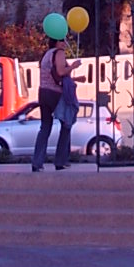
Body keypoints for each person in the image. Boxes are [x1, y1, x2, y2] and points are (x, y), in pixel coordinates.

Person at [31, 36, 82, 171]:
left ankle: (37, 163)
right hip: (56, 94)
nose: (64, 44)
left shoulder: (46, 55)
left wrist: (76, 78)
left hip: (43, 93)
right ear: (56, 42)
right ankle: (61, 160)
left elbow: (53, 74)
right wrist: (73, 66)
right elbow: (60, 72)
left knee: (45, 127)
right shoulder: (58, 53)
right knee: (67, 123)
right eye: (62, 41)